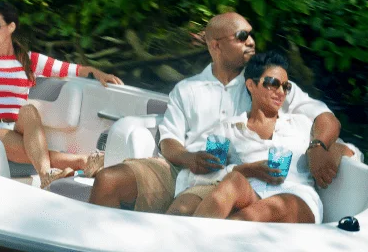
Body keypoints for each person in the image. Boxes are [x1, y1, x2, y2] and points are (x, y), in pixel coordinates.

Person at [88, 11, 347, 213]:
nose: (251, 42)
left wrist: (318, 146)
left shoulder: (267, 84)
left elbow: (325, 117)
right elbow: (169, 143)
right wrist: (189, 158)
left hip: (234, 176)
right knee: (107, 180)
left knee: (183, 210)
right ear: (216, 45)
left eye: (251, 35)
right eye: (242, 37)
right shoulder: (187, 89)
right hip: (181, 170)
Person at [0, 0, 123, 187]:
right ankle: (65, 167)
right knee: (33, 150)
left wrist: (97, 72)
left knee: (29, 110)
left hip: (19, 127)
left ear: (11, 27)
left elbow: (69, 69)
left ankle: (72, 166)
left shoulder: (28, 59)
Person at [189, 52, 323, 223]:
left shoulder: (301, 124)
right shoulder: (229, 129)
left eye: (286, 86)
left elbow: (340, 147)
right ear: (251, 85)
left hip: (296, 200)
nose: (281, 92)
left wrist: (326, 148)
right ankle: (199, 233)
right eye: (273, 84)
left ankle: (210, 233)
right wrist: (244, 170)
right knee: (234, 180)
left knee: (278, 205)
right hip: (253, 196)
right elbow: (200, 175)